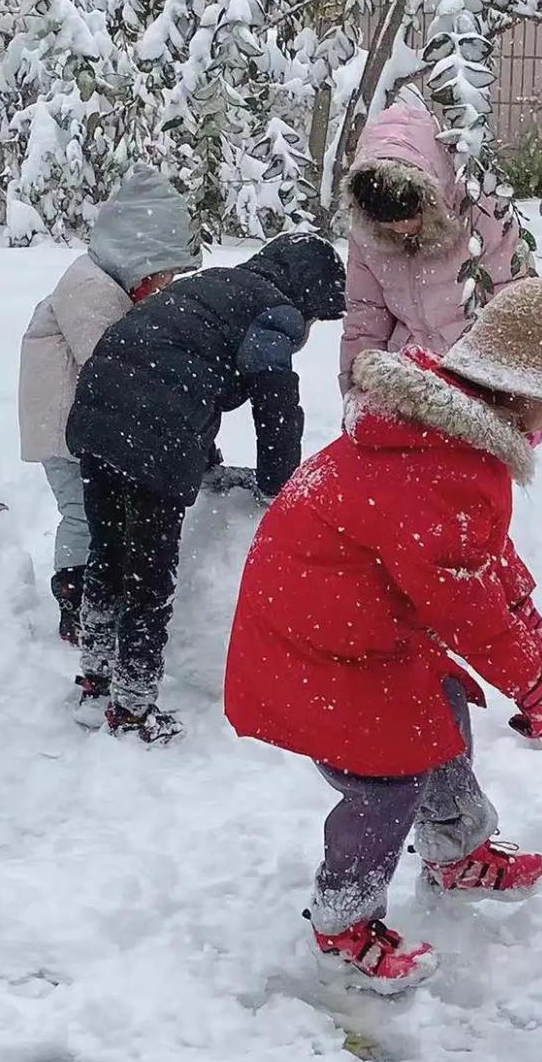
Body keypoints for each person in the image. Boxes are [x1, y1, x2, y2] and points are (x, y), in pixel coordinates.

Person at [224, 279, 542, 990]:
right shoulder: (445, 464)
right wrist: (531, 685)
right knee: (383, 781)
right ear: (520, 390)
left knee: (441, 710)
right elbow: (461, 599)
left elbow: (479, 552)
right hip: (321, 640)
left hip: (356, 620)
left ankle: (455, 850)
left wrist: (526, 614)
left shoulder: (452, 441)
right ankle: (343, 919)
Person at [66, 232, 347, 744]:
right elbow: (275, 402)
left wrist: (207, 459)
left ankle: (97, 673)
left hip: (97, 408)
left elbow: (188, 374)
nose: (308, 328)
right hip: (151, 434)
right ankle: (132, 707)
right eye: (314, 316)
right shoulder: (275, 312)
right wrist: (275, 484)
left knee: (108, 555)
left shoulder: (215, 285)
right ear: (306, 295)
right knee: (150, 575)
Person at [18, 167, 200, 644]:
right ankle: (74, 602)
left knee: (99, 517)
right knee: (82, 516)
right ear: (139, 259)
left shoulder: (106, 283)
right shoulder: (90, 287)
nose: (165, 287)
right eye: (163, 275)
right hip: (63, 427)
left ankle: (95, 597)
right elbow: (113, 361)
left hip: (83, 424)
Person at [338, 104, 532, 394]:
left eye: (408, 217)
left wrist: (510, 397)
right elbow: (366, 320)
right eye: (389, 224)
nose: (400, 229)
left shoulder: (481, 215)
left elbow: (511, 307)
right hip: (408, 381)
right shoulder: (368, 234)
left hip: (476, 376)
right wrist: (359, 394)